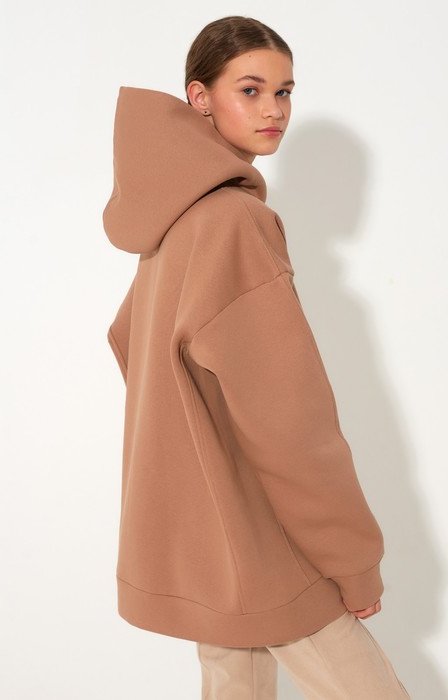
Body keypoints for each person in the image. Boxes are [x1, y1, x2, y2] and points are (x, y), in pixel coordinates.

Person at [103, 15, 410, 700]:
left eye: (285, 91)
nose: (274, 110)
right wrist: (352, 560)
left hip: (210, 542)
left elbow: (132, 345)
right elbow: (291, 424)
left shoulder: (174, 221)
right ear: (200, 96)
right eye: (250, 89)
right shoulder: (234, 222)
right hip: (263, 542)